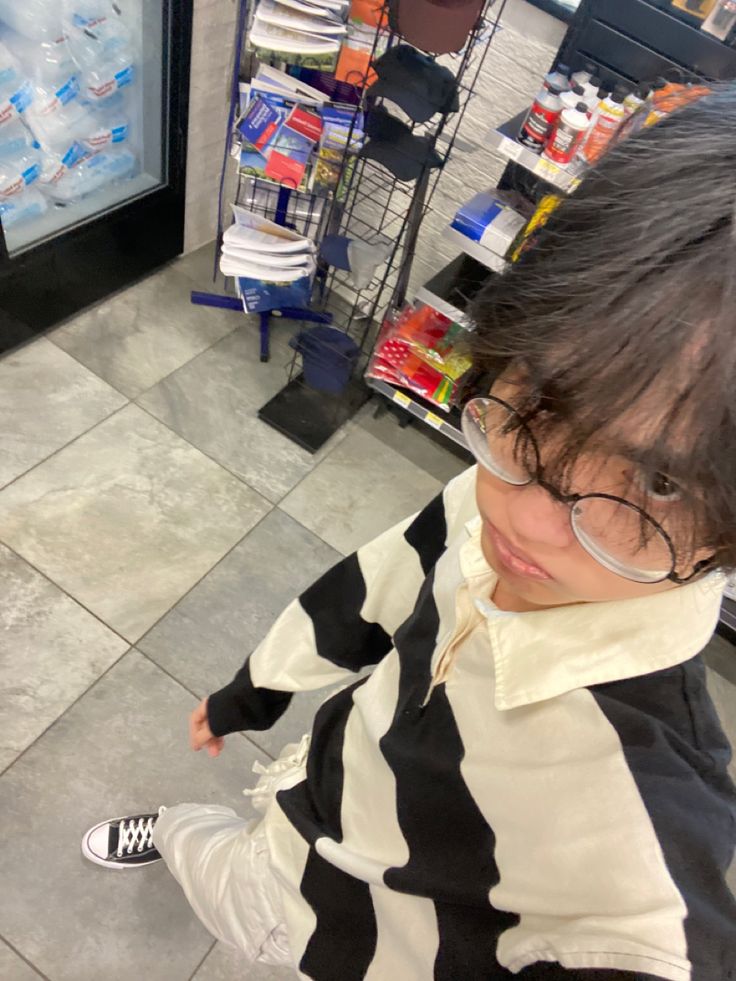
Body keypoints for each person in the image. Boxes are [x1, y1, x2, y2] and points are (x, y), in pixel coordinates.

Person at [82, 88, 736, 980]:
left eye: (657, 482)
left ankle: (175, 832)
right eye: (545, 403)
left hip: (325, 930)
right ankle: (183, 829)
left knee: (219, 868)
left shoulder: (643, 828)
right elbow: (370, 589)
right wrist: (252, 694)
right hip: (317, 789)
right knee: (228, 840)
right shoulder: (490, 488)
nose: (530, 518)